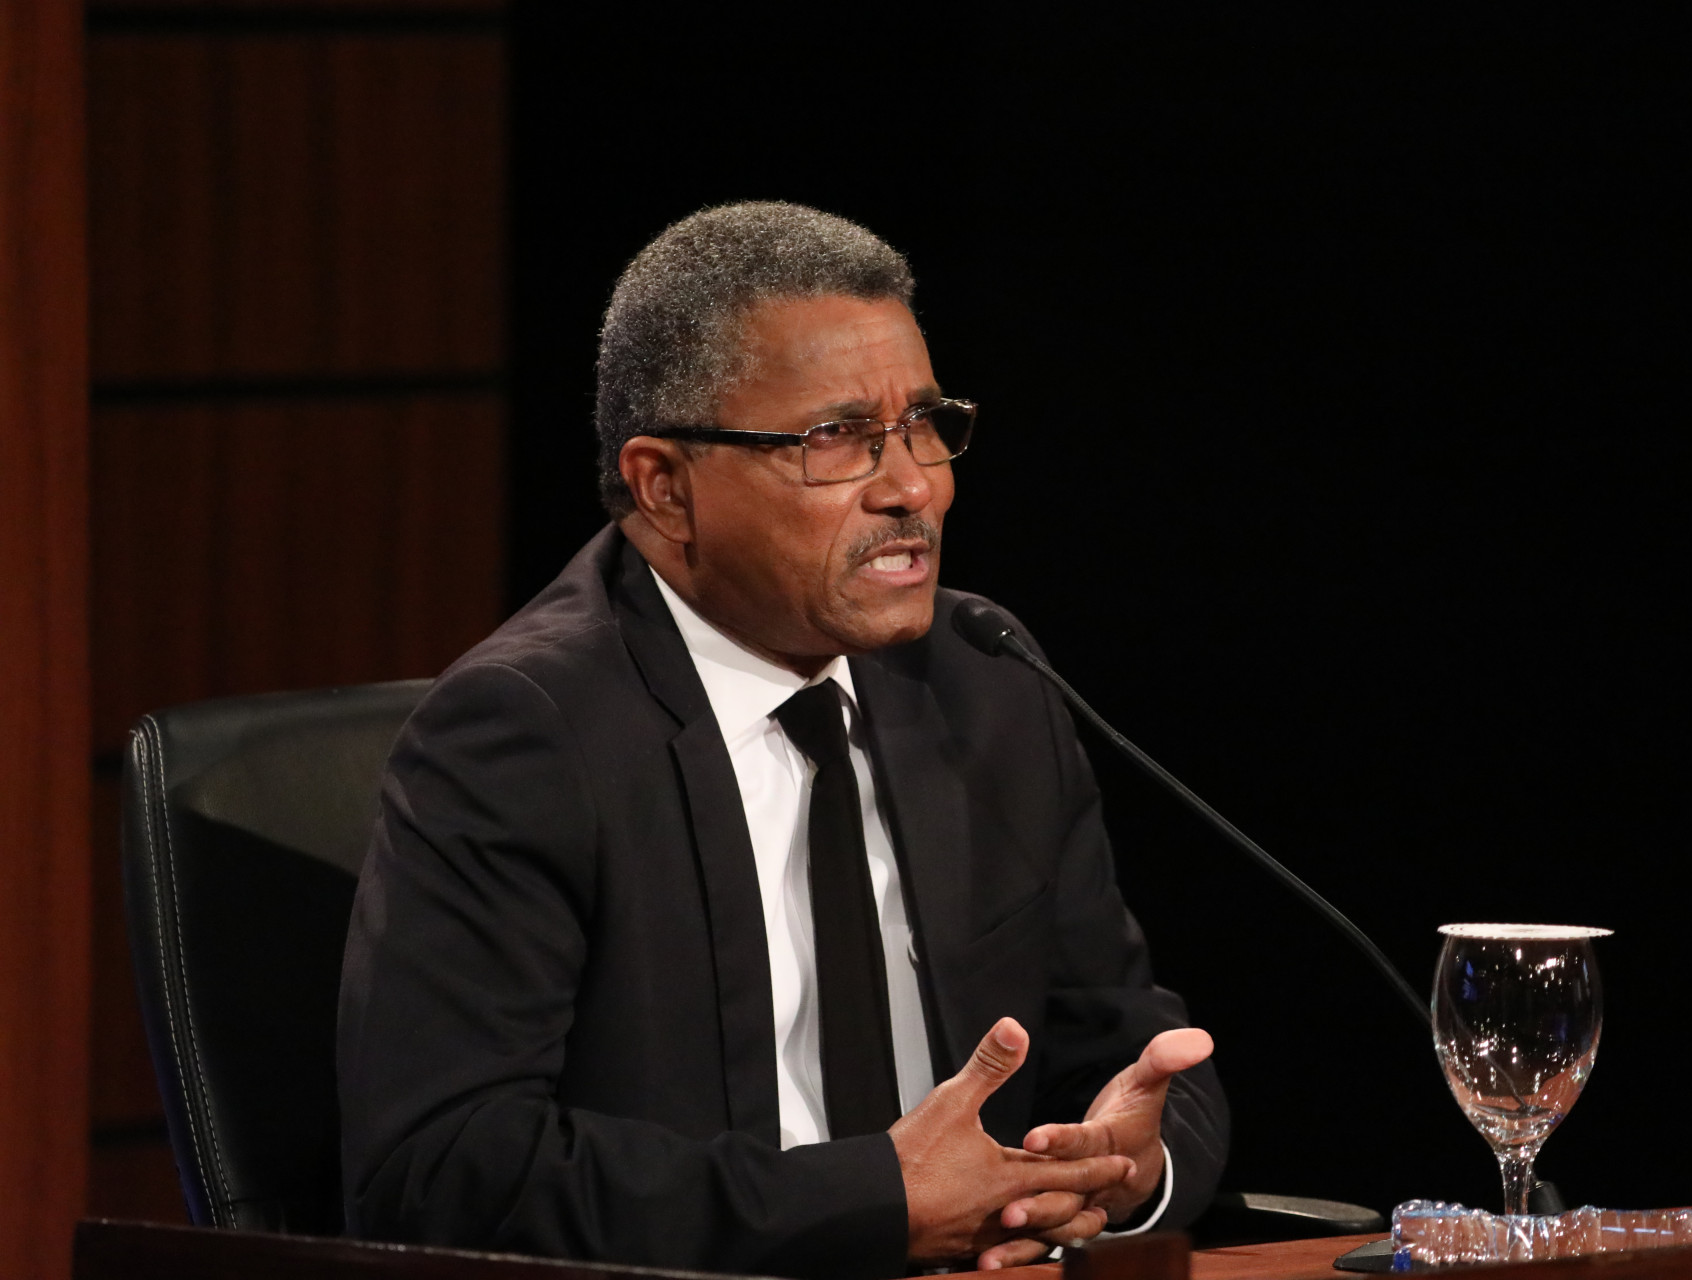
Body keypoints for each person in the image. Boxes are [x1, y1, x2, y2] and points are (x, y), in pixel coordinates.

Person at [337, 202, 1228, 1278]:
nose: (913, 486)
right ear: (666, 487)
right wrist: (872, 1204)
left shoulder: (984, 678)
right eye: (836, 438)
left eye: (925, 422)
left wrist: (1122, 1166)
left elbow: (1124, 1040)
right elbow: (444, 1169)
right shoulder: (526, 732)